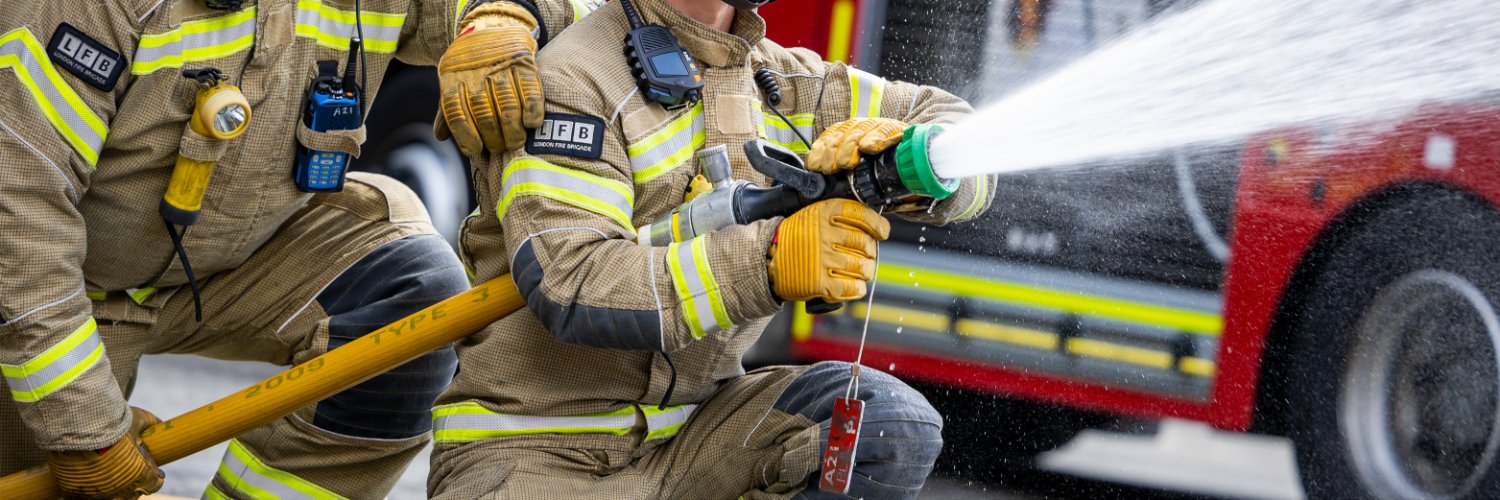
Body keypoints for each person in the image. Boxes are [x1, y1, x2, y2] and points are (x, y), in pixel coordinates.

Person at [0, 0, 593, 497]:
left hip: (234, 268)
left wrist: (504, 17)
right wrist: (85, 427)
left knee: (413, 290)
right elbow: (17, 214)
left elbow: (591, 18)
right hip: (38, 293)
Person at [426, 0, 997, 497]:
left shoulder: (780, 81)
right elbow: (573, 284)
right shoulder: (574, 78)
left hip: (695, 441)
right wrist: (767, 263)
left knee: (888, 427)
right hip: (535, 455)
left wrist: (917, 154)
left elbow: (967, 137)